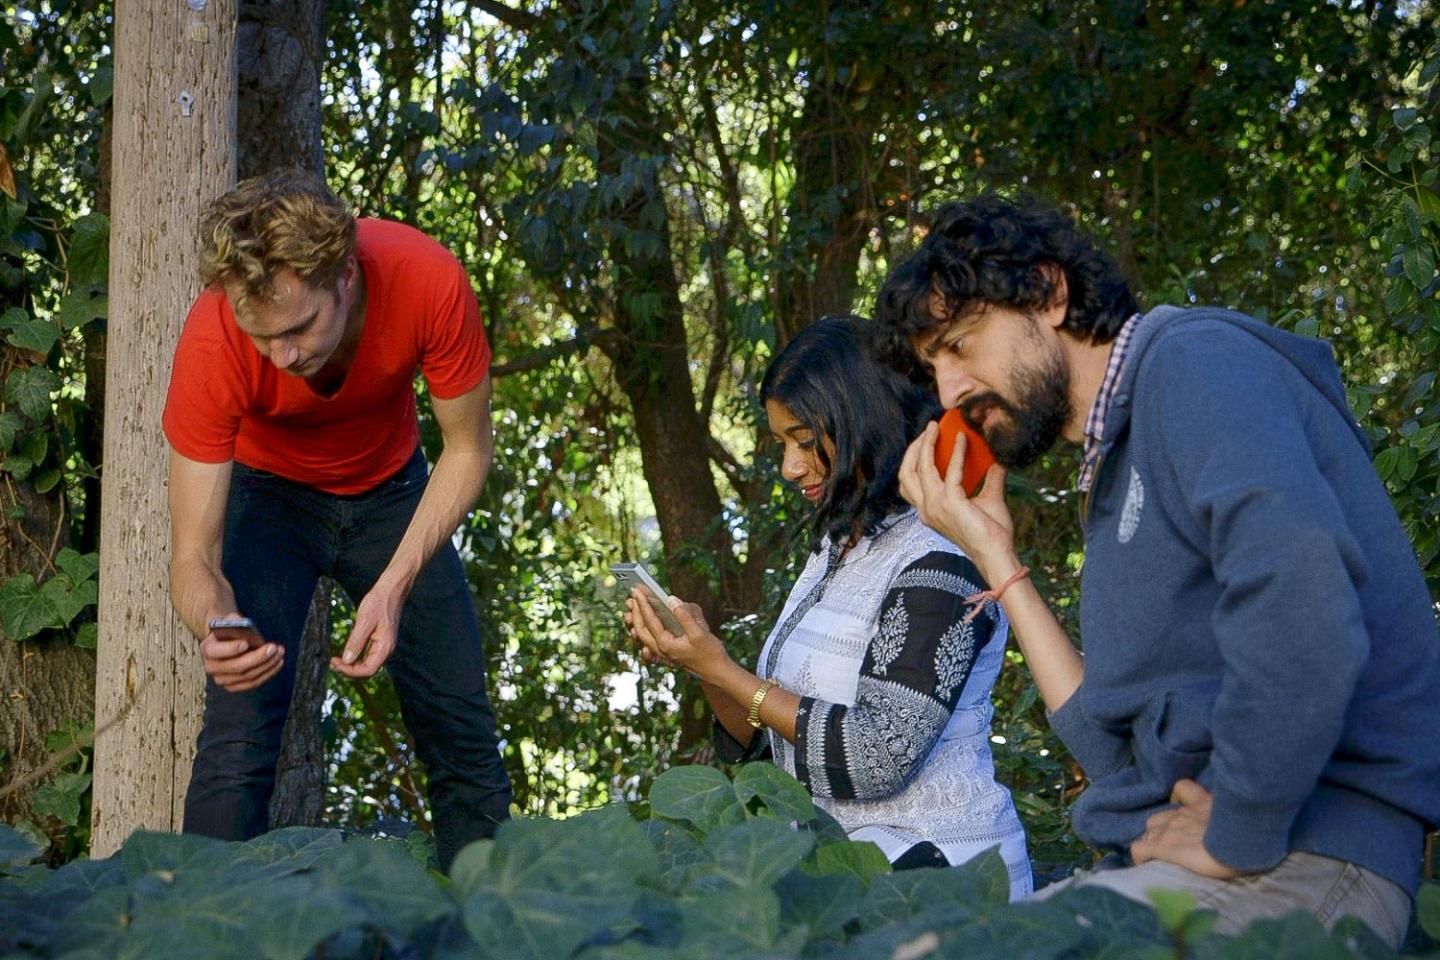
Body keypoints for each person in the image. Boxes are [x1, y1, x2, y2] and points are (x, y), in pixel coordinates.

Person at [873, 194, 1440, 945]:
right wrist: (993, 555)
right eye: (932, 366)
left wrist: (1238, 826)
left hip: (1310, 857)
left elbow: (1302, 590)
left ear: (1049, 293)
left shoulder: (1194, 363)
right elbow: (1116, 759)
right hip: (1207, 859)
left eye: (963, 344)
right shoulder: (1114, 469)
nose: (949, 392)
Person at [162, 170, 512, 869]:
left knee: (460, 723)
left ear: (346, 275)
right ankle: (200, 928)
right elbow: (191, 558)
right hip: (269, 500)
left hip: (393, 494)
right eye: (263, 337)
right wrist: (218, 625)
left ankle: (488, 926)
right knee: (238, 734)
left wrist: (394, 583)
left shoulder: (426, 279)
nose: (282, 355)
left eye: (298, 328)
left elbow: (468, 450)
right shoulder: (213, 340)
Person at [626, 316, 1033, 899]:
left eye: (802, 438)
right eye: (781, 445)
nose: (791, 466)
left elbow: (876, 755)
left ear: (862, 417)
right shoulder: (836, 548)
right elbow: (774, 741)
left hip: (944, 889)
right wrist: (699, 661)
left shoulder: (944, 556)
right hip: (847, 886)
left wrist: (723, 668)